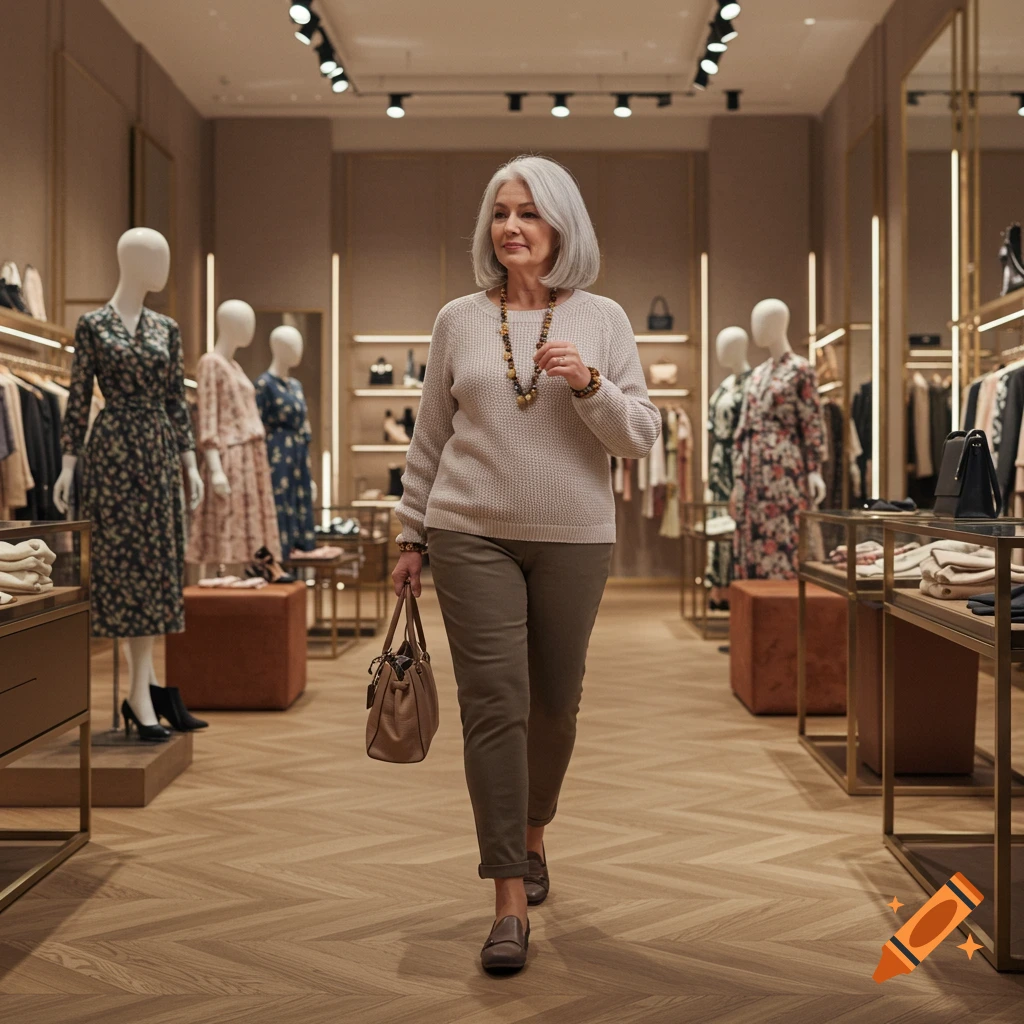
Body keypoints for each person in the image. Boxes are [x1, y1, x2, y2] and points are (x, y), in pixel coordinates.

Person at [392, 154, 660, 973]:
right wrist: (410, 535)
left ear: (561, 226)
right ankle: (507, 893)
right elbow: (432, 435)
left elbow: (641, 436)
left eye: (530, 214)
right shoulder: (455, 321)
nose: (512, 226)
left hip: (575, 536)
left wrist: (590, 387)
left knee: (556, 708)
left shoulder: (606, 320)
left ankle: (534, 832)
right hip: (469, 532)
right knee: (495, 707)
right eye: (502, 213)